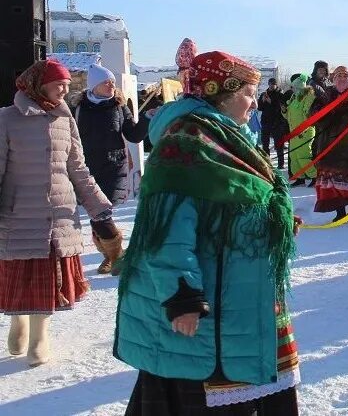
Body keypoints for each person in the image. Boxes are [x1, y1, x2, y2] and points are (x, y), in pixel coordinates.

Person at [114, 51, 300, 413]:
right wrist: (182, 298)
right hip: (207, 305)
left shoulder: (228, 135)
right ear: (225, 93)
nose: (254, 101)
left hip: (240, 294)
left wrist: (270, 222)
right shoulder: (186, 142)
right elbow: (165, 232)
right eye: (249, 92)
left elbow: (239, 198)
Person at [1, 59, 116, 367]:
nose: (65, 90)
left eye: (67, 84)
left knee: (47, 278)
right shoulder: (7, 119)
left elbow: (78, 168)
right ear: (38, 84)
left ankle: (40, 335)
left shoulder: (65, 119)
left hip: (58, 212)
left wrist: (100, 208)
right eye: (58, 84)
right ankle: (19, 322)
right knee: (20, 275)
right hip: (19, 212)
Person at [72, 63, 149, 274]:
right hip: (86, 167)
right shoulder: (78, 109)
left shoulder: (118, 107)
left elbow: (133, 135)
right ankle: (112, 256)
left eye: (113, 82)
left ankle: (114, 257)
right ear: (94, 85)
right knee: (96, 213)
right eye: (106, 82)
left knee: (102, 213)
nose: (111, 85)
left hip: (114, 166)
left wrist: (146, 119)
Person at [312, 66, 348, 221]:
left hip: (345, 146)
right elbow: (313, 114)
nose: (342, 78)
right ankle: (339, 211)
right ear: (333, 78)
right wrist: (328, 112)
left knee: (342, 182)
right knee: (329, 184)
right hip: (326, 145)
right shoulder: (326, 94)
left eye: (345, 76)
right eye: (339, 76)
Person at [284, 74, 317, 184]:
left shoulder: (309, 96)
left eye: (294, 86)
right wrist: (284, 110)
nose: (292, 89)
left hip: (304, 131)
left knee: (303, 155)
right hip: (293, 132)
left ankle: (314, 176)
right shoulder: (294, 97)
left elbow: (307, 114)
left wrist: (304, 129)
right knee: (294, 156)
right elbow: (289, 115)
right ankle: (300, 177)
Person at [257, 78, 291, 172]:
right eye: (270, 84)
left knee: (279, 144)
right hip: (266, 122)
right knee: (265, 144)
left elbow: (281, 109)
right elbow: (259, 108)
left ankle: (281, 164)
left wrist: (271, 102)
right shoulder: (264, 94)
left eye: (273, 84)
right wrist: (263, 101)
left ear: (276, 85)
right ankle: (266, 163)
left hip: (277, 122)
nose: (272, 86)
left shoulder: (280, 95)